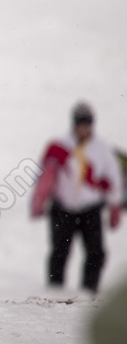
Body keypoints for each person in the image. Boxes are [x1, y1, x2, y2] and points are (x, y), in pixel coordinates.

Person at [31, 103, 122, 294]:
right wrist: (39, 200)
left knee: (96, 252)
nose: (83, 128)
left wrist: (115, 206)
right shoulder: (60, 146)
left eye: (87, 124)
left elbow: (113, 178)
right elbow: (44, 175)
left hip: (91, 208)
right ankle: (54, 291)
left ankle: (89, 291)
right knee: (59, 252)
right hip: (62, 208)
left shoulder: (102, 149)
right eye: (80, 123)